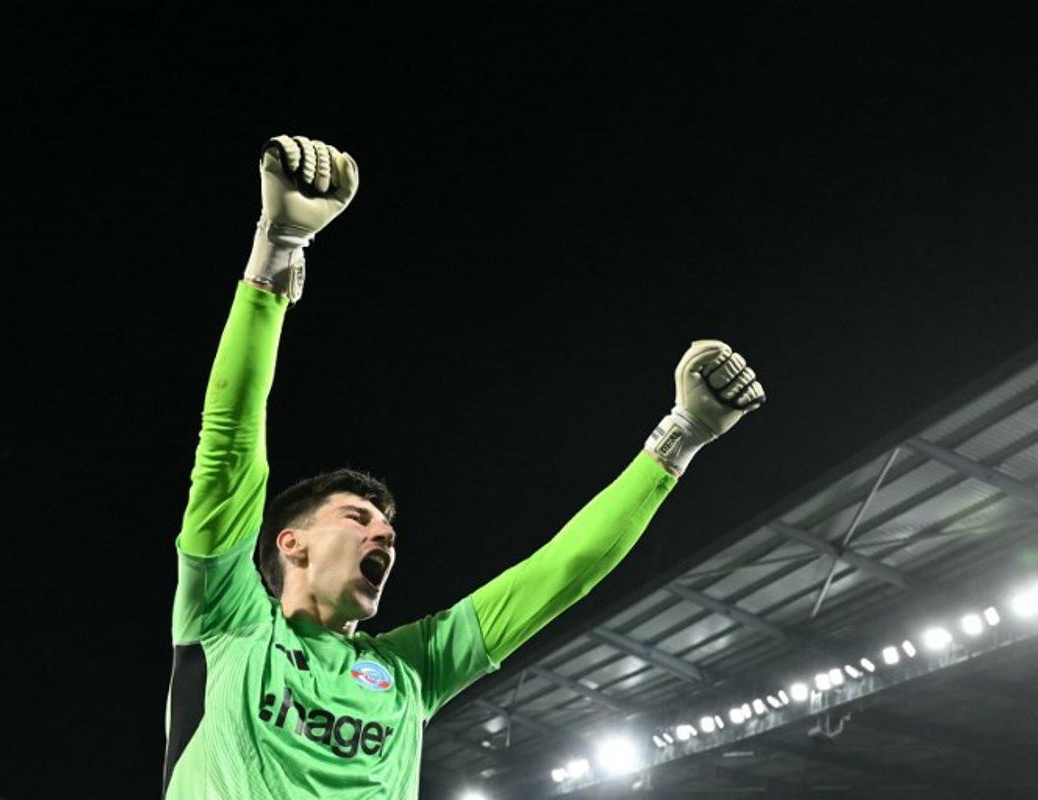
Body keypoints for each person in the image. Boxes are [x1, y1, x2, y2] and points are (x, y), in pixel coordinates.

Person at [162, 134, 767, 799]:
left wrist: (682, 436)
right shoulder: (228, 618)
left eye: (386, 525)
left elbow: (558, 573)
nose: (385, 534)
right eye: (356, 517)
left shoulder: (410, 670)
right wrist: (276, 249)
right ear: (291, 542)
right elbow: (230, 439)